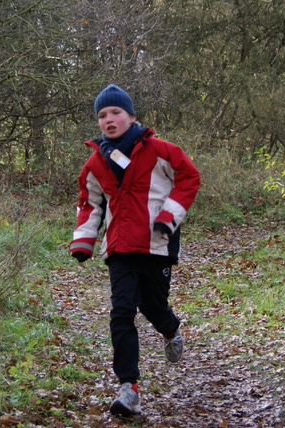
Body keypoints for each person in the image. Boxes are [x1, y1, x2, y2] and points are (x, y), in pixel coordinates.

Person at [69, 84, 200, 417]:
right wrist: (85, 239)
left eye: (115, 113)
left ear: (131, 116)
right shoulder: (96, 161)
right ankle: (129, 388)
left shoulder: (160, 150)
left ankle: (170, 328)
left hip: (158, 241)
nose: (109, 120)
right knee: (122, 311)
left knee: (152, 305)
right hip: (120, 246)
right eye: (102, 115)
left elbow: (189, 178)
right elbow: (90, 203)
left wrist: (168, 218)